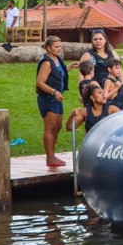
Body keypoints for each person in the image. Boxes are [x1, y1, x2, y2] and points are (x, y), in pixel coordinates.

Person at [35, 36, 80, 167]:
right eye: (56, 47)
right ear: (48, 48)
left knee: (57, 127)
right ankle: (50, 158)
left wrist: (70, 67)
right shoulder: (47, 62)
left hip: (57, 98)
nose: (59, 49)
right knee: (50, 128)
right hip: (48, 98)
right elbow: (39, 82)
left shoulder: (57, 59)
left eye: (60, 46)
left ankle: (52, 155)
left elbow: (58, 73)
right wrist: (54, 92)